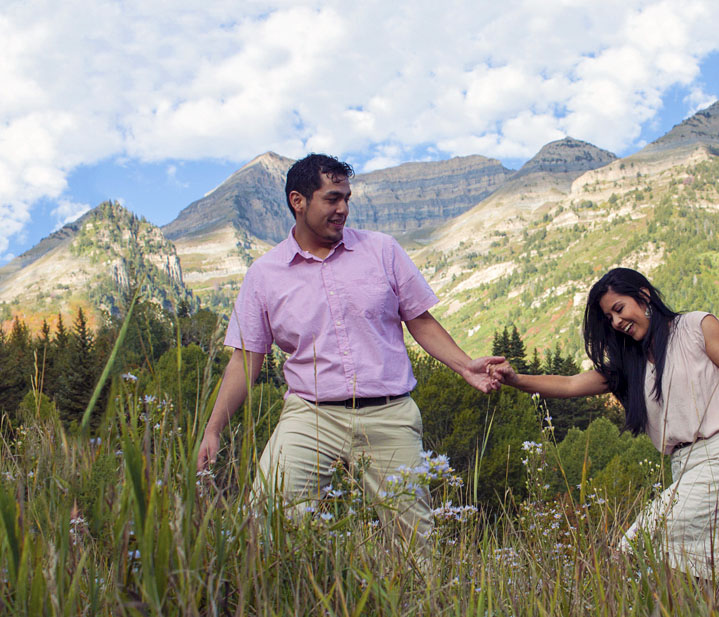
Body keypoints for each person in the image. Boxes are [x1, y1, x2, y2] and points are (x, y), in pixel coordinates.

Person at [196, 153, 503, 551]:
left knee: (415, 546)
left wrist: (465, 366)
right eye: (332, 199)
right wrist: (213, 429)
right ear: (298, 201)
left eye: (347, 198)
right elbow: (246, 360)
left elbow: (420, 320)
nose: (343, 209)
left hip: (390, 413)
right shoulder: (264, 275)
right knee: (267, 524)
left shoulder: (383, 250)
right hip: (310, 416)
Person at [491, 267, 719, 585]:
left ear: (644, 296)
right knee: (713, 574)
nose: (616, 322)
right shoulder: (631, 365)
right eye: (609, 317)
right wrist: (515, 380)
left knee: (636, 546)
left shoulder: (697, 326)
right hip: (685, 466)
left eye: (619, 309)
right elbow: (569, 384)